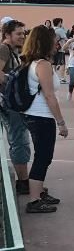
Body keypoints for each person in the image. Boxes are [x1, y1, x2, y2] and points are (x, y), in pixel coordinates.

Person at [20, 26, 68, 212]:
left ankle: (38, 192)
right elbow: (49, 96)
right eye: (54, 41)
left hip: (35, 115)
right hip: (41, 116)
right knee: (43, 157)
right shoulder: (43, 65)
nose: (57, 44)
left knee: (43, 156)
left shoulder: (34, 62)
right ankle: (34, 200)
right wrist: (61, 122)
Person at [0, 19, 31, 194]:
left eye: (23, 33)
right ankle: (23, 182)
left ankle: (23, 180)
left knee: (19, 139)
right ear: (7, 34)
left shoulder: (12, 51)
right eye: (18, 33)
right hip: (9, 104)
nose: (22, 36)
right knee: (19, 140)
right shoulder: (4, 49)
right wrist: (14, 83)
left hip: (10, 102)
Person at [53, 18, 68, 83]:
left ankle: (53, 77)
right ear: (59, 22)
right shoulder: (60, 30)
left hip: (53, 48)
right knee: (62, 64)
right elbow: (65, 38)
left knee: (54, 63)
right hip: (60, 49)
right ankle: (62, 78)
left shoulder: (52, 29)